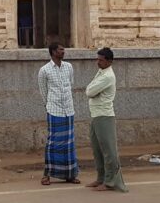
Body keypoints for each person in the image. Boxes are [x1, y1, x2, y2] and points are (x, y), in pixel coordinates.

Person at [85, 48, 127, 193]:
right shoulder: (101, 72)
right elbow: (90, 89)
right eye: (98, 59)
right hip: (96, 115)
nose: (98, 62)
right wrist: (91, 90)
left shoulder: (108, 76)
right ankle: (101, 178)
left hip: (104, 116)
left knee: (109, 151)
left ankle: (110, 181)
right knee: (97, 149)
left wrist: (91, 90)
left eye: (101, 60)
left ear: (109, 61)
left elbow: (89, 91)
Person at [37, 42, 79, 185]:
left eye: (63, 49)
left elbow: (70, 85)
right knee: (53, 143)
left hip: (69, 110)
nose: (63, 52)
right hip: (54, 110)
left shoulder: (69, 67)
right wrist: (49, 106)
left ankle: (70, 174)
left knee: (69, 144)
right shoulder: (44, 70)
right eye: (61, 50)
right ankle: (47, 174)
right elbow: (43, 92)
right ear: (53, 52)